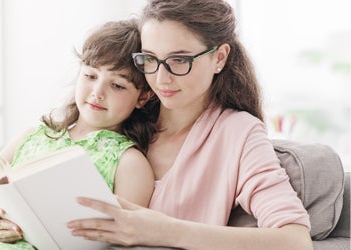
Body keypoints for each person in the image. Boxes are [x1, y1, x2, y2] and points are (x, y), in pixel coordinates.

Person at [66, 0, 313, 249]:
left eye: (180, 60)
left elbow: (295, 241)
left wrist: (166, 230)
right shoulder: (124, 112)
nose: (161, 78)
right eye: (150, 59)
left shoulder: (237, 133)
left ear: (219, 57)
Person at [0, 18, 157, 249]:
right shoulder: (36, 136)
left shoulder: (129, 163)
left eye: (117, 85)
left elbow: (126, 236)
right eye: (90, 76)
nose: (97, 92)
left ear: (142, 97)